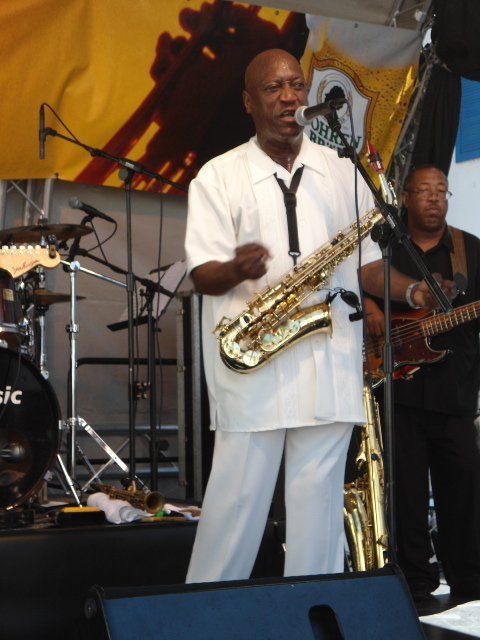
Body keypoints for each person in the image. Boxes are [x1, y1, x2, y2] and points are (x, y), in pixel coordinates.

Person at [184, 49, 454, 583]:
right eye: (273, 89)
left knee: (320, 517)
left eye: (295, 85)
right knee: (234, 510)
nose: (289, 97)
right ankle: (207, 609)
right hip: (255, 366)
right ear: (248, 102)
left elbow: (368, 266)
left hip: (327, 360)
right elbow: (201, 275)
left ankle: (313, 610)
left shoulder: (343, 171)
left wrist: (412, 291)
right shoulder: (218, 176)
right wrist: (236, 268)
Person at [364, 165, 480, 602]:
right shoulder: (385, 248)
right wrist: (372, 310)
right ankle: (415, 584)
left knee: (464, 492)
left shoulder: (470, 250)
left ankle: (468, 584)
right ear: (406, 198)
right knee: (406, 495)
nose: (435, 198)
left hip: (455, 393)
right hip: (398, 390)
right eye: (425, 191)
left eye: (442, 191)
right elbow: (354, 288)